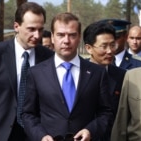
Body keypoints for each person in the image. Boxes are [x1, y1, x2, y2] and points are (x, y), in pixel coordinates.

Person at [22, 12, 113, 141]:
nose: (66, 41)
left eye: (72, 35)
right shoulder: (36, 73)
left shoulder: (97, 73)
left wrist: (90, 131)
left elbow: (106, 113)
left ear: (79, 37)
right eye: (60, 35)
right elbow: (28, 114)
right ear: (53, 37)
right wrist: (41, 136)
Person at [0, 2, 54, 141]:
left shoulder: (50, 59)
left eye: (40, 29)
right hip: (0, 132)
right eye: (31, 29)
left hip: (38, 134)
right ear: (16, 26)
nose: (37, 35)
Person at [83, 21, 126, 141]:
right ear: (89, 48)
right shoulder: (77, 75)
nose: (109, 51)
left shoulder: (122, 76)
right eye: (104, 46)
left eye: (112, 45)